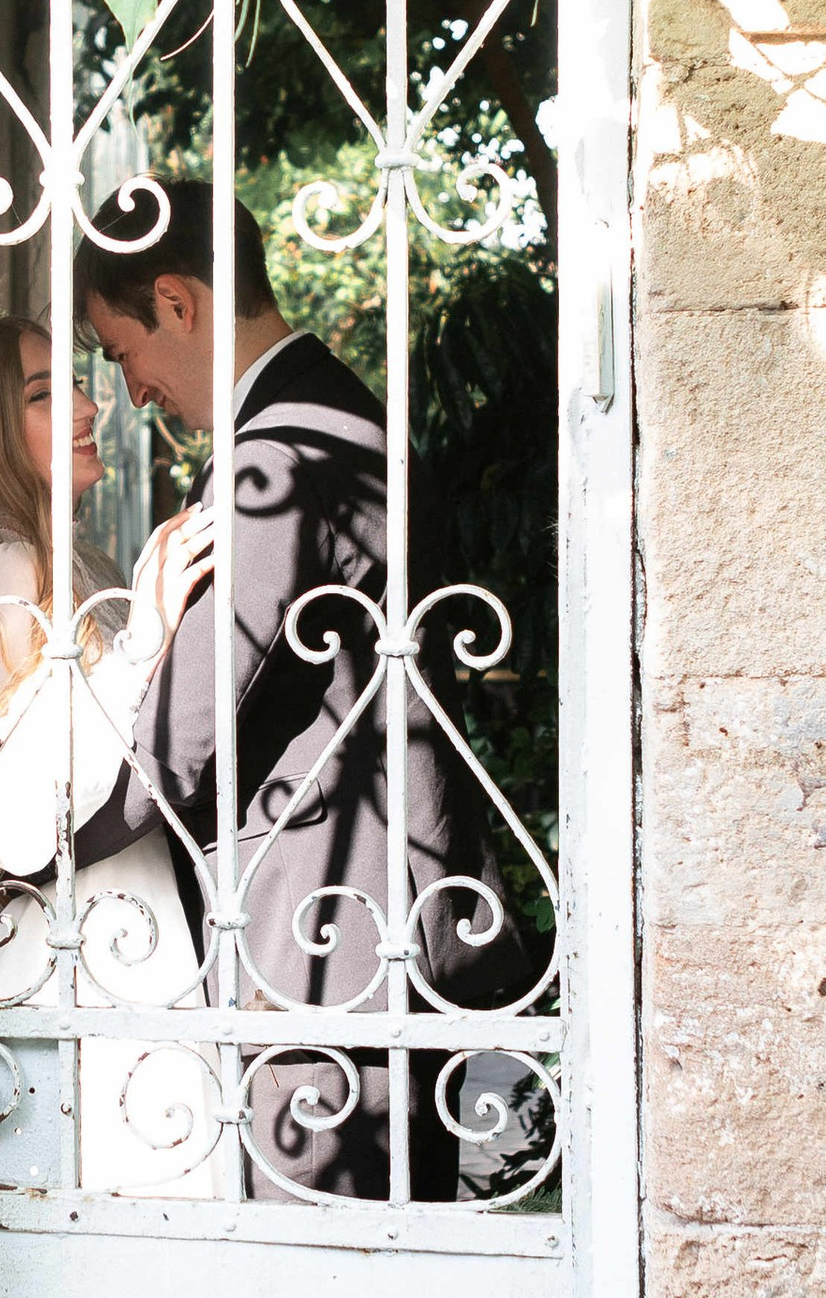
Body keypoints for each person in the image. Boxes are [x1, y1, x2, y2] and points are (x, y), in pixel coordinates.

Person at [73, 181, 529, 1202]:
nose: (133, 392)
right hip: (376, 918)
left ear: (177, 303)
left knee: (319, 1272)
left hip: (322, 946)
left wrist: (35, 854)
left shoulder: (274, 458)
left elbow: (182, 737)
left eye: (119, 351)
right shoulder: (328, 413)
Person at [0, 301, 226, 1195]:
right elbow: (13, 821)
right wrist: (147, 633)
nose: (90, 407)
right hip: (73, 973)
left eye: (76, 384)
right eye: (49, 395)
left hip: (110, 947)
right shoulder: (2, 573)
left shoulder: (53, 564)